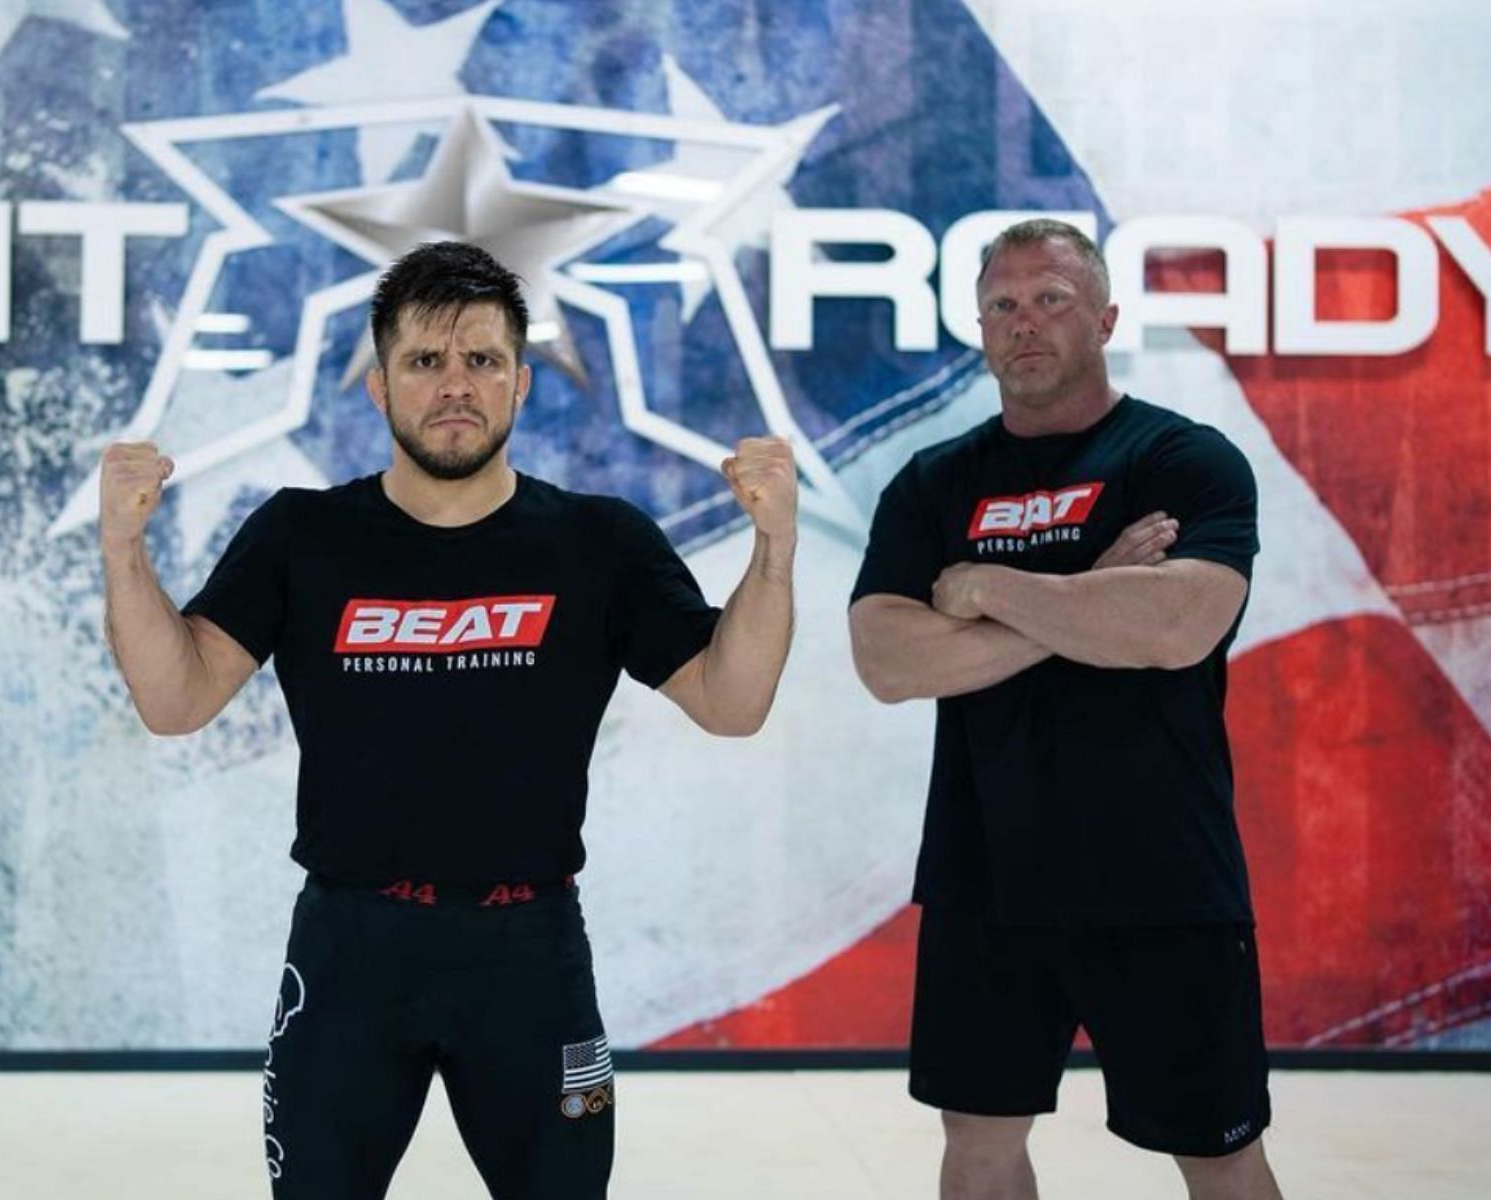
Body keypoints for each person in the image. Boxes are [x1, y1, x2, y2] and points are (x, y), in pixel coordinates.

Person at [101, 240, 796, 1198]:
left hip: (531, 956)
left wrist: (775, 547)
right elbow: (175, 701)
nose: (456, 385)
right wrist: (122, 548)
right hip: (351, 953)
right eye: (426, 361)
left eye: (484, 361)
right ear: (380, 387)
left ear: (521, 385)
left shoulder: (599, 542)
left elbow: (734, 699)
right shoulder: (302, 535)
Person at [848, 218, 1285, 1200]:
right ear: (979, 326)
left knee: (1218, 1153)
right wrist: (1089, 589)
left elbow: (1176, 626)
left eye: (1050, 299)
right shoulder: (935, 483)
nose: (1025, 324)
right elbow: (886, 659)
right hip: (984, 875)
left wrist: (981, 586)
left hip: (1162, 875)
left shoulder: (1184, 460)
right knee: (979, 1143)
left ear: (1104, 317)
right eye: (1003, 304)